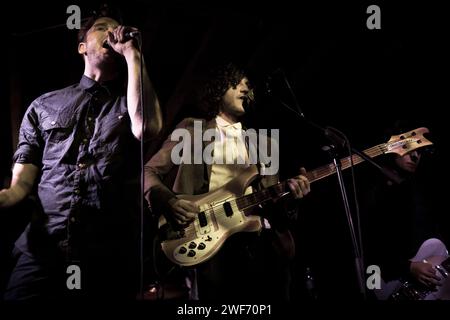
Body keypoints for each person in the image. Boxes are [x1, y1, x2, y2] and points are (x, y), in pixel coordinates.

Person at [0, 8, 162, 300]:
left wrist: (133, 56)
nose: (113, 33)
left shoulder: (128, 104)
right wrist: (7, 197)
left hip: (107, 254)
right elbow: (21, 184)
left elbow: (147, 127)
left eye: (117, 28)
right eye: (102, 27)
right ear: (82, 47)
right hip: (44, 248)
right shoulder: (44, 105)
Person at [144, 63, 310, 301]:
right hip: (212, 247)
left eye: (248, 85)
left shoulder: (265, 145)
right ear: (218, 90)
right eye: (236, 83)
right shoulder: (192, 130)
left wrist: (292, 197)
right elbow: (149, 170)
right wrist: (168, 200)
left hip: (263, 247)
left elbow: (274, 204)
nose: (245, 88)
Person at [361, 121, 447, 299]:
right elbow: (368, 255)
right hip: (381, 286)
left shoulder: (420, 192)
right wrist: (408, 268)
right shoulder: (371, 193)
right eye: (409, 148)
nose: (416, 156)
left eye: (420, 151)